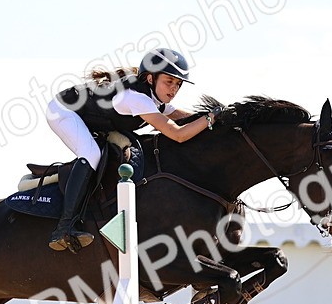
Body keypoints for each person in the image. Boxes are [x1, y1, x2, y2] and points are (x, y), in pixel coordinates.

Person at [44, 48, 216, 251]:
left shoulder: (153, 99)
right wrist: (210, 118)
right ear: (151, 78)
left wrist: (218, 120)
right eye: (169, 81)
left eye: (178, 84)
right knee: (91, 154)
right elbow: (178, 134)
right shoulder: (136, 98)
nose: (174, 88)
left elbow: (180, 117)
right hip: (62, 110)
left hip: (90, 117)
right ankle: (64, 228)